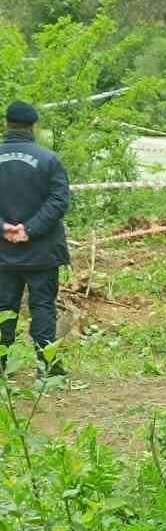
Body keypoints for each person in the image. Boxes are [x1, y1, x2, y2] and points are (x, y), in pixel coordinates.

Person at [0, 100, 71, 379]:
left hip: (2, 252)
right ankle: (47, 368)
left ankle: (1, 365)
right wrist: (30, 229)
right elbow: (59, 201)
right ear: (34, 126)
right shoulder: (49, 159)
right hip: (41, 252)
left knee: (3, 308)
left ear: (6, 124)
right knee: (42, 307)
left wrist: (4, 228)